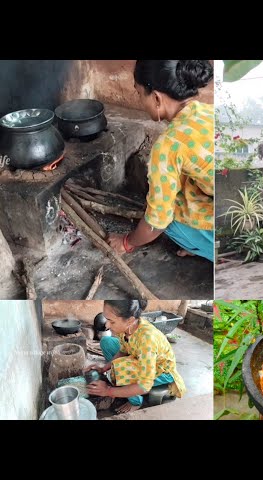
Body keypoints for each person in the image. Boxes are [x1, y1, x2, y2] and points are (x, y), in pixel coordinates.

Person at [107, 60, 214, 262]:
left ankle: (203, 245)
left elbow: (157, 222)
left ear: (156, 98)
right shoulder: (207, 112)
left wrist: (126, 242)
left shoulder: (168, 145)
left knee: (168, 222)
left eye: (139, 94)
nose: (140, 100)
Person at [85, 299, 186, 414]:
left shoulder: (147, 340)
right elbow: (123, 351)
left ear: (130, 320)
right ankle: (118, 379)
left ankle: (136, 401)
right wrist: (104, 368)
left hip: (161, 370)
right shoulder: (128, 327)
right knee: (106, 342)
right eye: (106, 319)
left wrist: (108, 391)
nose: (107, 325)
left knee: (121, 369)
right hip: (138, 356)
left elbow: (144, 386)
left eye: (111, 322)